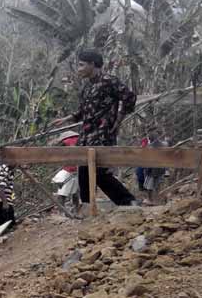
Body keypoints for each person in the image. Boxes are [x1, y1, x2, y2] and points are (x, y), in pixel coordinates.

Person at [51, 49, 137, 207]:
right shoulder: (87, 87)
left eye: (82, 65)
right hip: (86, 135)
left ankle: (128, 202)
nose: (79, 68)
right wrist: (67, 118)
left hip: (102, 135)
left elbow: (129, 97)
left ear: (93, 64)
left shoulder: (109, 81)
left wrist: (118, 120)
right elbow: (84, 111)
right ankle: (87, 207)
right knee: (84, 171)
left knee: (99, 172)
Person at [50, 131, 80, 209]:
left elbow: (53, 147)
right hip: (78, 169)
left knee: (62, 192)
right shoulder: (80, 139)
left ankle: (62, 210)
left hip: (68, 170)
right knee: (75, 192)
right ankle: (76, 209)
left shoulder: (66, 141)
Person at [0, 164, 16, 232]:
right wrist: (5, 203)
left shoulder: (10, 169)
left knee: (9, 224)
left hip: (4, 199)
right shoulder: (4, 168)